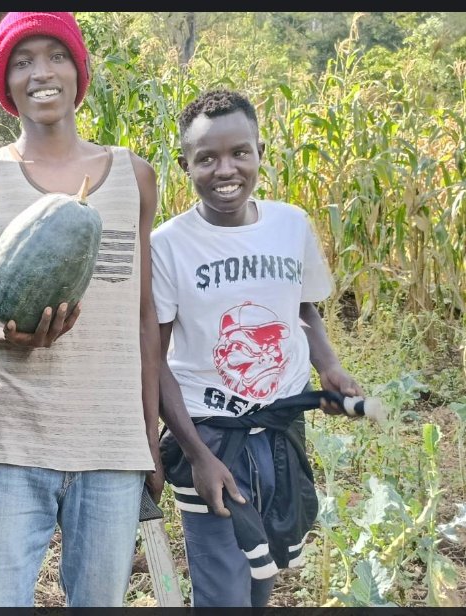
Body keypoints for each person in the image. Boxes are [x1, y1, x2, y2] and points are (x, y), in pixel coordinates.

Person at [0, 12, 234, 607]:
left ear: (78, 70)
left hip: (112, 442)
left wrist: (148, 437)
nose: (41, 72)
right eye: (22, 62)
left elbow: (145, 318)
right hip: (9, 439)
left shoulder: (136, 176)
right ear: (4, 82)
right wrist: (3, 334)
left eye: (55, 56)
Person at [151, 88, 366, 607]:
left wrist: (330, 367)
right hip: (210, 433)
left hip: (280, 424)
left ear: (260, 153)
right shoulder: (168, 244)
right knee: (223, 585)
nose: (225, 170)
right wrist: (198, 454)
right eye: (207, 159)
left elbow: (303, 309)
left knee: (265, 564)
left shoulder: (290, 224)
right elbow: (153, 359)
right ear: (185, 165)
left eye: (239, 153)